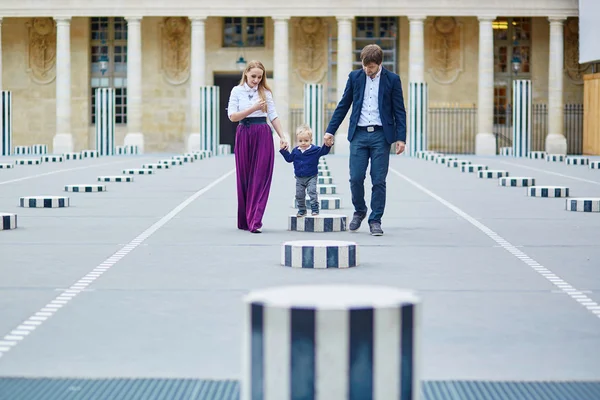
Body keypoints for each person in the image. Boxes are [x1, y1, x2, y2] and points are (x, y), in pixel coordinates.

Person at [324, 44, 406, 236]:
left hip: (381, 136)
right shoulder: (355, 77)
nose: (367, 70)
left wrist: (401, 138)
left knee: (378, 180)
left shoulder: (392, 80)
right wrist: (330, 131)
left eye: (371, 67)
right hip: (359, 135)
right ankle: (359, 210)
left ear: (379, 64)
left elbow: (399, 110)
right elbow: (343, 105)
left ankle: (375, 219)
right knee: (356, 178)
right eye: (364, 66)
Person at [227, 60, 288, 233]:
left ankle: (255, 220)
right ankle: (245, 218)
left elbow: (273, 116)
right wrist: (253, 108)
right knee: (244, 177)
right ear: (246, 73)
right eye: (253, 76)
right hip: (244, 133)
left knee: (260, 177)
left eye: (259, 77)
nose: (256, 80)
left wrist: (282, 136)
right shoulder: (236, 91)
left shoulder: (266, 92)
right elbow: (233, 116)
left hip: (262, 133)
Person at [279, 124, 331, 217]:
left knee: (312, 191)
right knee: (299, 194)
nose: (303, 143)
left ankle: (315, 208)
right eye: (300, 141)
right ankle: (302, 210)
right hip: (299, 178)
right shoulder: (295, 151)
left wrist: (327, 145)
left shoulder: (315, 150)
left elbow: (324, 151)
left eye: (306, 141)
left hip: (311, 176)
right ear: (297, 141)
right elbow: (289, 159)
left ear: (311, 140)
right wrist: (283, 150)